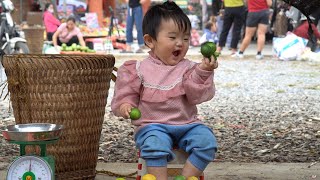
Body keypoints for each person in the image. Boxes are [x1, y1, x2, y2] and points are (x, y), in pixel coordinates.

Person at [111, 1, 218, 179]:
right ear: (150, 41)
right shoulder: (139, 69)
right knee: (154, 144)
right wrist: (125, 106)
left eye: (185, 38)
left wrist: (204, 72)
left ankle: (185, 177)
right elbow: (127, 95)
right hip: (152, 126)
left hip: (187, 125)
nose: (180, 43)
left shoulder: (190, 69)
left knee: (207, 142)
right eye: (172, 37)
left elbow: (196, 96)